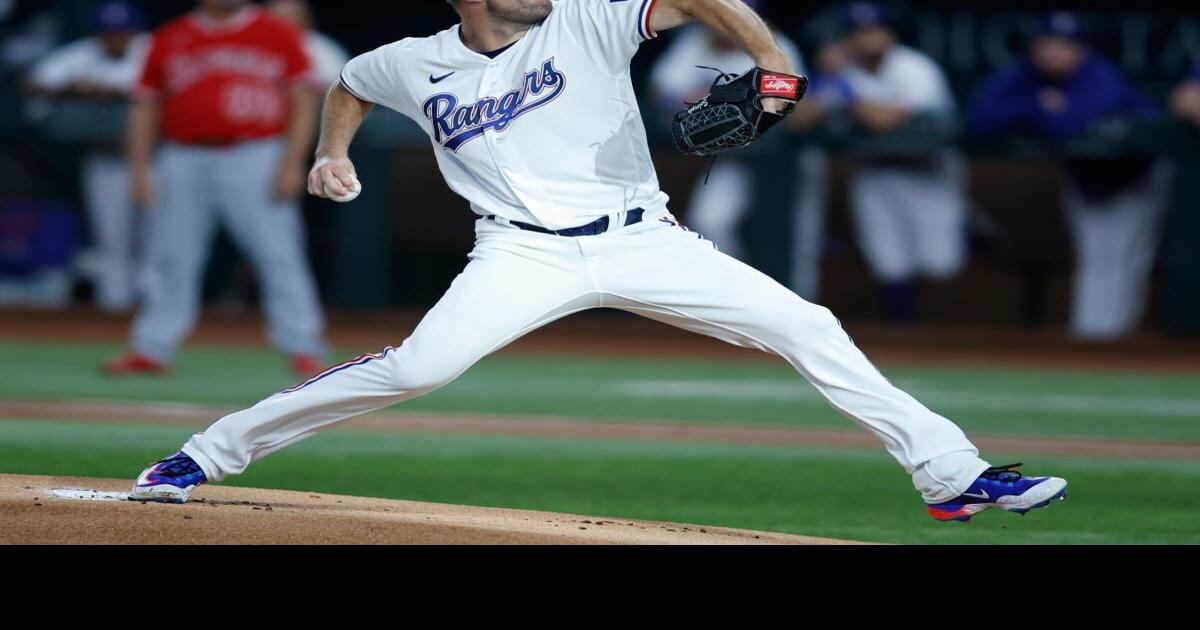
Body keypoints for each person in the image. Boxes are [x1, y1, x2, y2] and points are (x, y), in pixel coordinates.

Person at [131, 0, 1067, 525]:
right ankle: (202, 455)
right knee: (417, 368)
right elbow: (345, 85)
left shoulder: (588, 20)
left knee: (807, 324)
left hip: (643, 238)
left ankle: (952, 474)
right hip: (518, 253)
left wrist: (774, 65)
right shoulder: (405, 61)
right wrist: (333, 152)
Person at [102, 0, 328, 377]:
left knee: (278, 254)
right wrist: (139, 169)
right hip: (182, 155)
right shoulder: (170, 36)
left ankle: (304, 347)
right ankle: (151, 348)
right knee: (171, 255)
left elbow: (304, 100)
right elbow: (145, 107)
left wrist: (292, 162)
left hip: (256, 152)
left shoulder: (276, 32)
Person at [969, 10, 1165, 341]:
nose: (1053, 52)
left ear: (1082, 49)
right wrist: (1036, 104)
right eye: (1047, 43)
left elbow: (1071, 125)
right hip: (1088, 179)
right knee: (1097, 257)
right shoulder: (1025, 77)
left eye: (1065, 45)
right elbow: (979, 121)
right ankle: (1094, 339)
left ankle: (1111, 341)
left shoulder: (1101, 76)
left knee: (1124, 260)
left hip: (1135, 176)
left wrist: (1039, 112)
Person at [647, 0, 824, 300]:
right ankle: (735, 297)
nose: (728, 24)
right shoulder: (696, 44)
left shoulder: (777, 48)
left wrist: (747, 101)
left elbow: (802, 108)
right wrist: (701, 98)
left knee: (796, 239)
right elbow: (660, 91)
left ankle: (797, 306)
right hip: (734, 159)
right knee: (711, 220)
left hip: (784, 162)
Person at [829, 2, 968, 323]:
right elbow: (803, 118)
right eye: (858, 32)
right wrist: (825, 78)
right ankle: (903, 338)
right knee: (888, 260)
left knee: (940, 262)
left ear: (890, 34)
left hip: (927, 172)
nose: (867, 39)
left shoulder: (915, 69)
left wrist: (844, 84)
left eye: (874, 30)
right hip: (873, 170)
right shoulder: (844, 71)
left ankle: (975, 233)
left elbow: (881, 121)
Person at [24, 1, 150, 312]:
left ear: (135, 32)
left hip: (154, 162)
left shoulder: (151, 49)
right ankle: (113, 316)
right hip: (107, 160)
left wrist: (113, 92)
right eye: (109, 33)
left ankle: (159, 313)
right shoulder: (85, 53)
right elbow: (33, 81)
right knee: (112, 243)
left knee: (157, 242)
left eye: (122, 33)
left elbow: (167, 89)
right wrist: (72, 88)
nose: (115, 39)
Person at [266, 0, 349, 89]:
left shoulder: (318, 45)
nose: (283, 24)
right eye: (278, 18)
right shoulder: (260, 45)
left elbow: (340, 83)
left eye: (290, 16)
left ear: (305, 19)